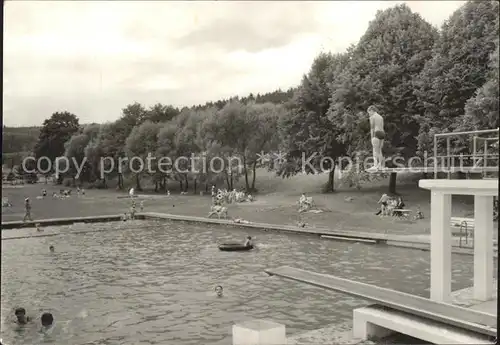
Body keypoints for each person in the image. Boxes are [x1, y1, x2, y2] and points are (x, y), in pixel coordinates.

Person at [367, 105, 385, 170]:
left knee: (375, 150)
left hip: (376, 133)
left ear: (372, 110)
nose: (369, 114)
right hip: (382, 133)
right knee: (379, 150)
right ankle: (380, 165)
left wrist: (372, 137)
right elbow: (382, 127)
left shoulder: (372, 117)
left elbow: (372, 128)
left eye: (369, 112)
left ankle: (375, 165)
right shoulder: (380, 117)